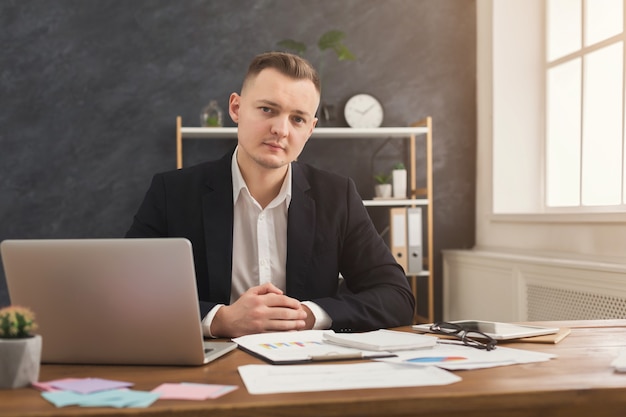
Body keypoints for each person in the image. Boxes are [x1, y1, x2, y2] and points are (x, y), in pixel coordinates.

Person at [126, 51, 415, 338]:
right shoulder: (172, 192)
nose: (280, 130)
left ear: (310, 129)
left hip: (304, 367)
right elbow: (126, 291)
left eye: (298, 119)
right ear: (236, 108)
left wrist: (309, 315)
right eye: (267, 110)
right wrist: (218, 319)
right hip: (209, 365)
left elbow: (397, 297)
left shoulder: (338, 196)